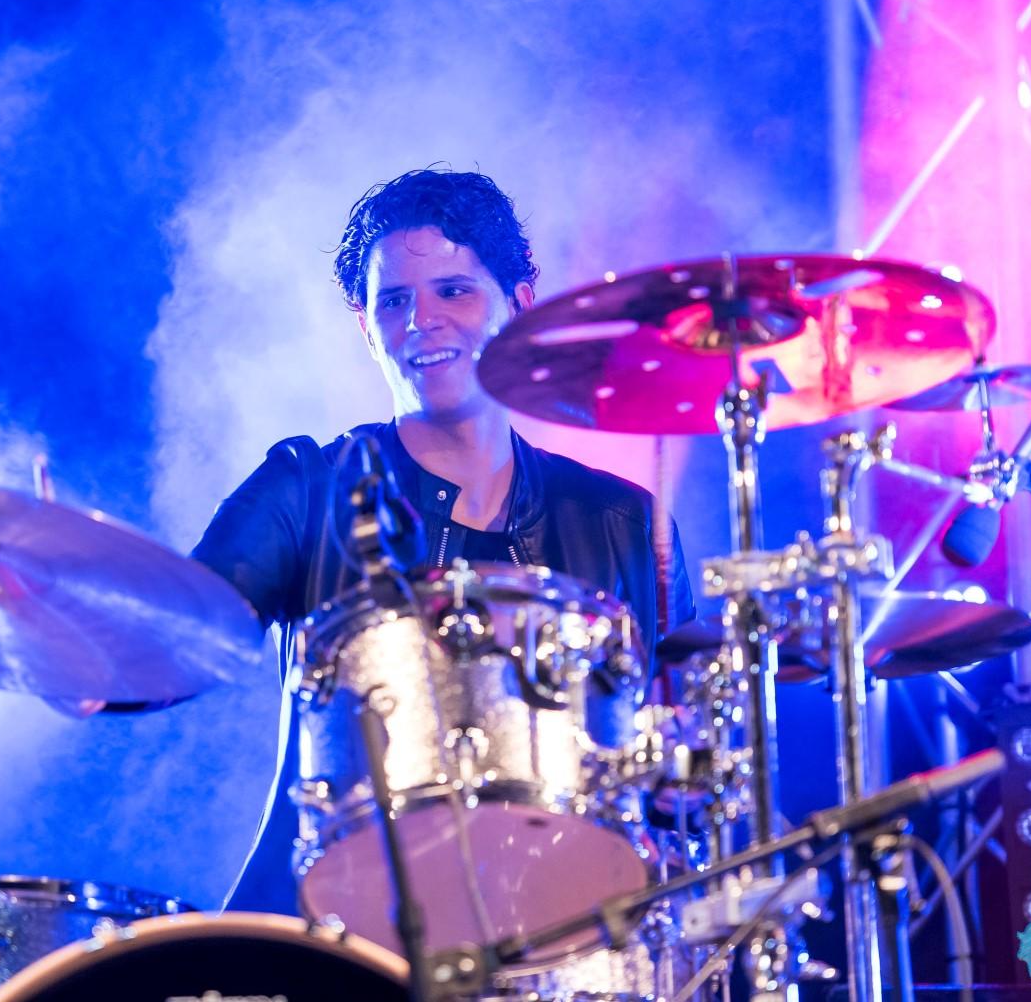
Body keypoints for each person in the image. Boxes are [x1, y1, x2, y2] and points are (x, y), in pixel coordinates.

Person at [191, 167, 695, 914]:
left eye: (454, 291)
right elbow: (176, 629)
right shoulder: (307, 489)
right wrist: (78, 637)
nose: (422, 320)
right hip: (332, 932)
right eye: (394, 300)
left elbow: (677, 770)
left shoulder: (621, 522)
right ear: (367, 327)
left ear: (520, 303)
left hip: (567, 933)